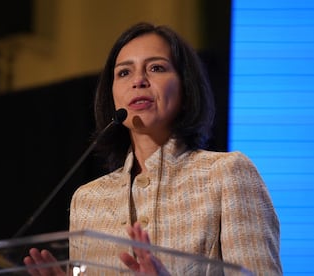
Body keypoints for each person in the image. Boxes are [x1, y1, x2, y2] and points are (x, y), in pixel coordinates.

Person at [24, 22, 282, 275]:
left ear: (185, 87)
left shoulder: (227, 174)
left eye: (156, 68)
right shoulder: (88, 201)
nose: (138, 80)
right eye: (124, 72)